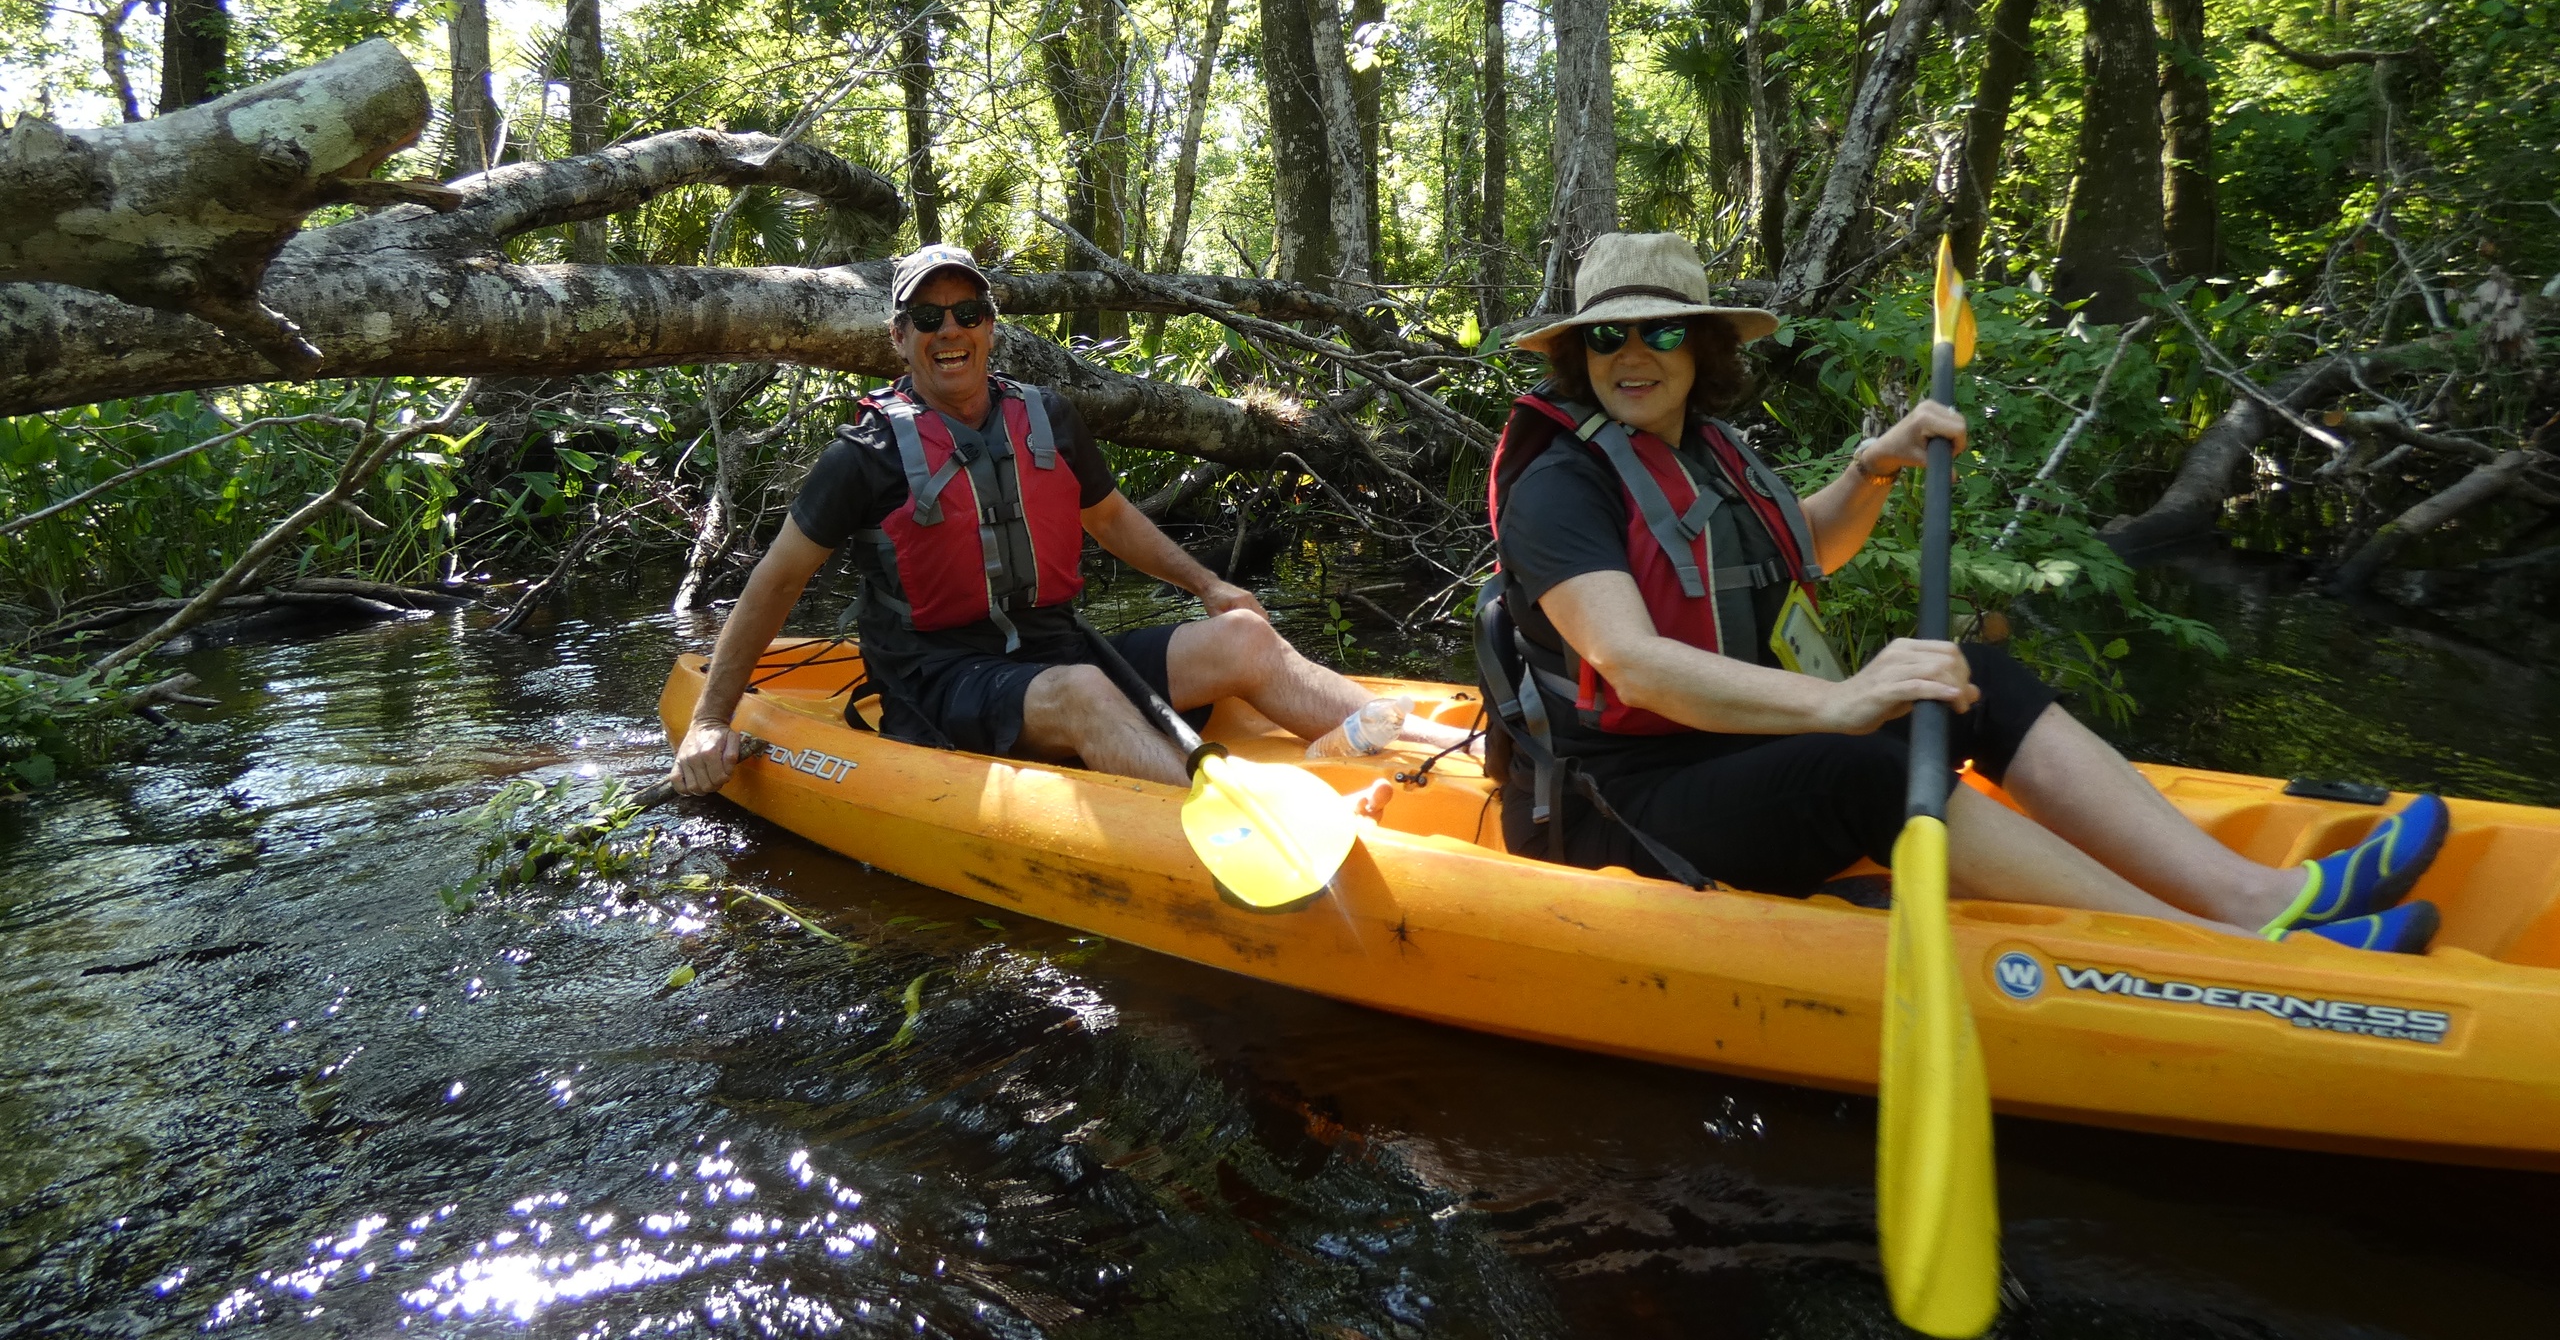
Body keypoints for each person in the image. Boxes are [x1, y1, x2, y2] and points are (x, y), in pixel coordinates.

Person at [1487, 231, 2447, 952]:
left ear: (1701, 349)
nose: (1631, 354)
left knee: (1967, 674)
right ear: (1580, 355)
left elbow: (1799, 550)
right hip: (1628, 808)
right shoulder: (1560, 485)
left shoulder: (1702, 450)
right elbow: (1633, 663)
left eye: (1660, 332)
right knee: (1858, 768)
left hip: (1736, 748)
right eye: (1607, 336)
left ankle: (2250, 896)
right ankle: (2208, 953)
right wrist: (1838, 702)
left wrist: (1874, 469)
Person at [671, 243, 1376, 795]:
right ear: (898, 335)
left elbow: (1111, 518)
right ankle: (1236, 821)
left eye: (967, 313)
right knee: (1085, 693)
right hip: (939, 684)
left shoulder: (1048, 419)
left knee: (1245, 638)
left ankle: (1409, 756)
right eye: (928, 317)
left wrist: (1209, 588)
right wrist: (709, 720)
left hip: (1054, 650)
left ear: (990, 326)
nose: (950, 330)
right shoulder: (866, 454)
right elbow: (776, 581)